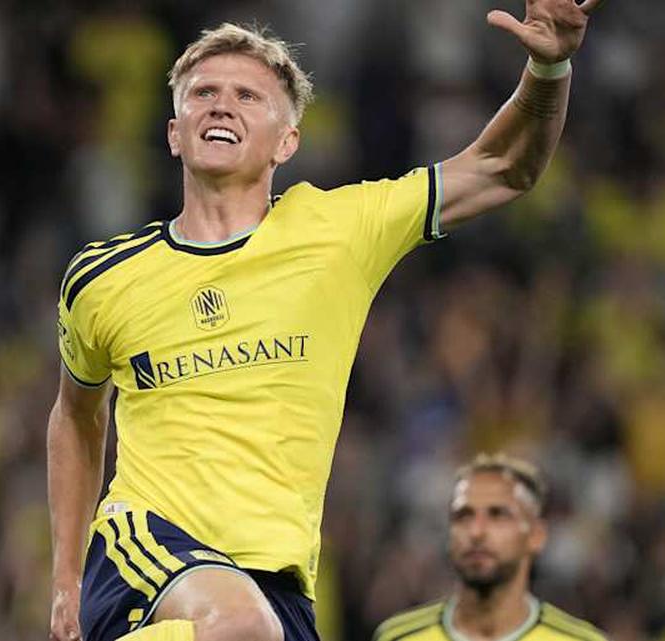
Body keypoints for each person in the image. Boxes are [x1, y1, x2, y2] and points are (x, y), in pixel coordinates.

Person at [48, 2, 603, 641]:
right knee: (237, 624)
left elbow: (504, 167)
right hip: (147, 552)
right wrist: (65, 578)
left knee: (249, 624)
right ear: (175, 131)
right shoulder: (103, 277)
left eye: (248, 96)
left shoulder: (337, 231)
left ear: (289, 142)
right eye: (203, 93)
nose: (221, 104)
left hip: (279, 587)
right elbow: (76, 415)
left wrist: (550, 66)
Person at [373, 454, 608, 641]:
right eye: (463, 516)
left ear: (536, 535)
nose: (476, 532)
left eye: (498, 515)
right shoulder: (398, 637)